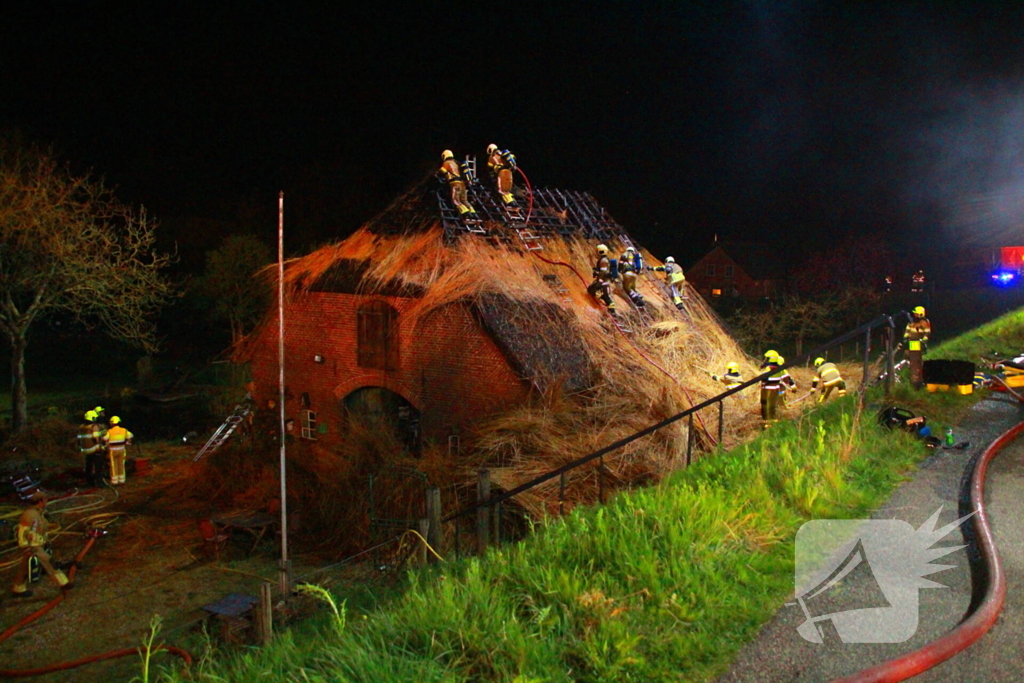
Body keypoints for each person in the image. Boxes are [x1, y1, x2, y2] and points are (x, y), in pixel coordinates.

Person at [11, 492, 70, 597]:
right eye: (45, 500)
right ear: (41, 501)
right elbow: (22, 532)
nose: (47, 502)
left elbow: (40, 527)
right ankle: (63, 583)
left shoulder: (38, 513)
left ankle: (18, 587)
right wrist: (25, 547)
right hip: (33, 546)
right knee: (49, 562)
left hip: (37, 544)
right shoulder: (29, 515)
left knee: (24, 567)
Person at [437, 149, 477, 218]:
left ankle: (465, 213)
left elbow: (442, 171)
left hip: (455, 183)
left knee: (455, 200)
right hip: (462, 183)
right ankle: (473, 213)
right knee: (464, 200)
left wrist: (437, 174)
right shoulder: (457, 163)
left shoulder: (447, 162)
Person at [904, 306, 932, 389]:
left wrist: (923, 341)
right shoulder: (911, 321)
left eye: (916, 313)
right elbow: (907, 330)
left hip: (917, 343)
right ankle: (914, 379)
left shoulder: (924, 322)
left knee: (916, 362)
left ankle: (918, 381)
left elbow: (927, 333)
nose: (914, 314)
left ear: (920, 314)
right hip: (911, 342)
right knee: (910, 360)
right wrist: (905, 337)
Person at [78, 410, 107, 486]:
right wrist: (101, 446)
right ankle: (99, 482)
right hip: (93, 449)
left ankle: (89, 481)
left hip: (85, 449)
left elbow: (79, 439)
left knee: (89, 466)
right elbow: (96, 438)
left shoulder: (81, 427)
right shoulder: (94, 426)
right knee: (98, 466)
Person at [103, 416, 134, 485]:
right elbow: (130, 436)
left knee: (114, 465)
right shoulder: (124, 430)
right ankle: (122, 480)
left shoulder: (109, 431)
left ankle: (115, 481)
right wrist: (127, 443)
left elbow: (105, 439)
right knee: (121, 464)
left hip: (112, 450)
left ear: (111, 423)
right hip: (122, 449)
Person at [586, 244, 616, 313]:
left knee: (592, 290)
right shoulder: (604, 260)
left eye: (597, 251)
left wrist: (599, 281)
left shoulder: (603, 261)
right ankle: (612, 311)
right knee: (605, 296)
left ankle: (612, 311)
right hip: (605, 281)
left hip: (603, 281)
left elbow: (603, 272)